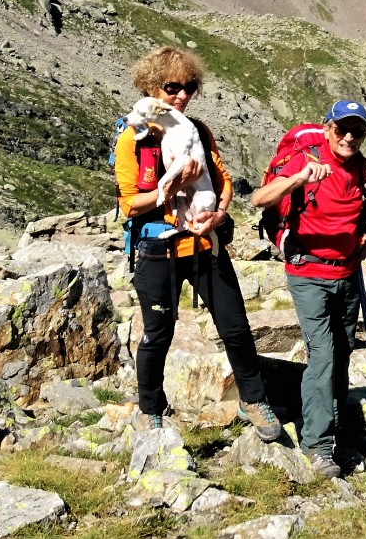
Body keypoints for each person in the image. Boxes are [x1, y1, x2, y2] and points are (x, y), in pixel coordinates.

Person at [115, 46, 282, 442]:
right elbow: (128, 203)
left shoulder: (198, 133)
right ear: (151, 87)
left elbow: (222, 180)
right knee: (158, 334)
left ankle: (253, 399)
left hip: (205, 246)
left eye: (189, 87)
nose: (182, 96)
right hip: (159, 250)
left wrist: (221, 213)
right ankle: (150, 410)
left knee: (236, 328)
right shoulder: (132, 139)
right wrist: (169, 189)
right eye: (172, 87)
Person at [251, 99, 366, 479]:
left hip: (348, 273)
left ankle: (335, 427)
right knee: (323, 355)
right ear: (327, 128)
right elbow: (258, 199)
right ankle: (317, 445)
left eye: (358, 131)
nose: (349, 137)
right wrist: (299, 179)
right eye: (342, 129)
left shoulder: (359, 165)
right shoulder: (305, 159)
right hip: (308, 274)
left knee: (343, 350)